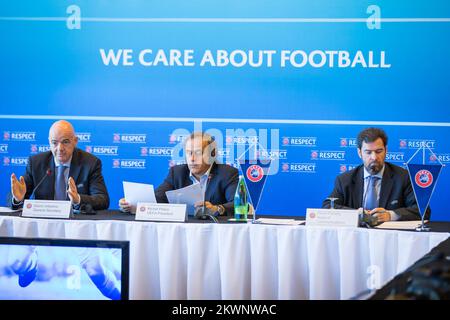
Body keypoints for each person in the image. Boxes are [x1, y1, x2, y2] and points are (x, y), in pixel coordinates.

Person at [322, 127, 429, 222]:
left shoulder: (403, 177)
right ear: (359, 153)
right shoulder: (345, 179)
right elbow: (328, 206)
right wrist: (357, 214)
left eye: (378, 151)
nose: (374, 157)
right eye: (368, 152)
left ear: (386, 150)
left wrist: (390, 215)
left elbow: (423, 210)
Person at [119, 132, 238, 216]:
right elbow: (157, 198)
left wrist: (217, 209)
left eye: (198, 153)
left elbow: (238, 204)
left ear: (212, 154)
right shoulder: (177, 172)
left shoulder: (227, 173)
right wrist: (132, 204)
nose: (192, 159)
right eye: (188, 153)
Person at [8, 120, 109, 212]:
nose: (60, 148)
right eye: (54, 143)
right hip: (44, 224)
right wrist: (17, 199)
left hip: (76, 225)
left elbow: (102, 199)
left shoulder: (90, 163)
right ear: (49, 142)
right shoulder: (36, 163)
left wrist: (78, 199)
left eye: (65, 142)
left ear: (75, 141)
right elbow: (14, 196)